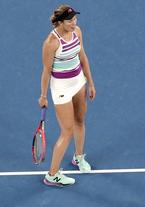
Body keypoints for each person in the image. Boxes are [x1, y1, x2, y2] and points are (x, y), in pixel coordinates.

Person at [38, 5, 96, 186]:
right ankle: (51, 175)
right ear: (60, 22)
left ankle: (78, 157)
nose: (74, 23)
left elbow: (83, 57)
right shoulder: (51, 43)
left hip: (79, 83)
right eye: (70, 21)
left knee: (80, 120)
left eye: (75, 19)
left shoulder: (77, 31)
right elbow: (46, 71)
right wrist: (43, 96)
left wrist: (90, 82)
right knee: (67, 131)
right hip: (61, 89)